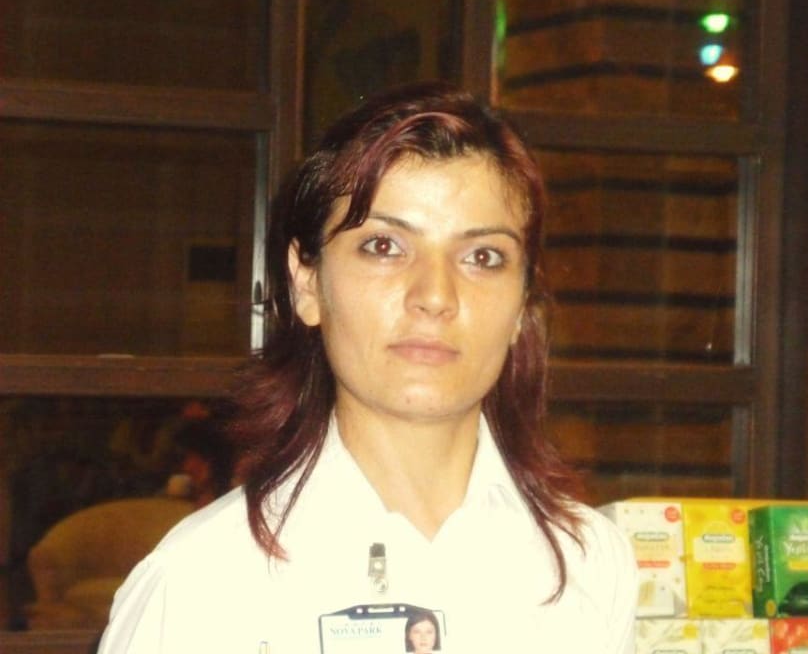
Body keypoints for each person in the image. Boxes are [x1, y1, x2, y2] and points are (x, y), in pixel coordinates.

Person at [97, 82, 639, 654]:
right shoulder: (204, 585)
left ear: (522, 305)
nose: (435, 295)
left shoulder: (588, 565)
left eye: (482, 257)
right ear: (307, 284)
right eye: (384, 246)